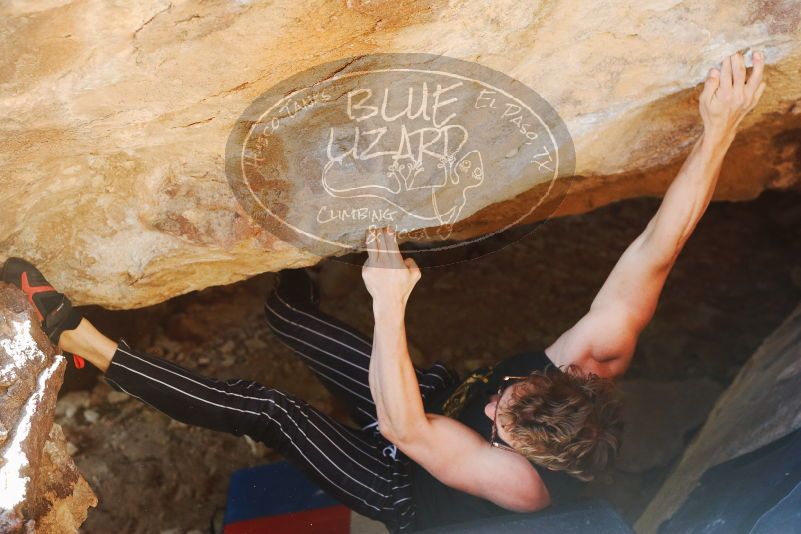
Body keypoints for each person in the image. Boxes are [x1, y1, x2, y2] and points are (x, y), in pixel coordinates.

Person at [1, 50, 765, 532]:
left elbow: (404, 428)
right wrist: (719, 129)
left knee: (274, 410)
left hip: (404, 477)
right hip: (435, 399)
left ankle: (82, 341)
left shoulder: (515, 482)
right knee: (286, 317)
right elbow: (655, 251)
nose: (495, 404)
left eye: (500, 422)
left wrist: (389, 300)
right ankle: (290, 265)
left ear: (520, 452)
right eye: (512, 394)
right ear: (569, 376)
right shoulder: (589, 360)